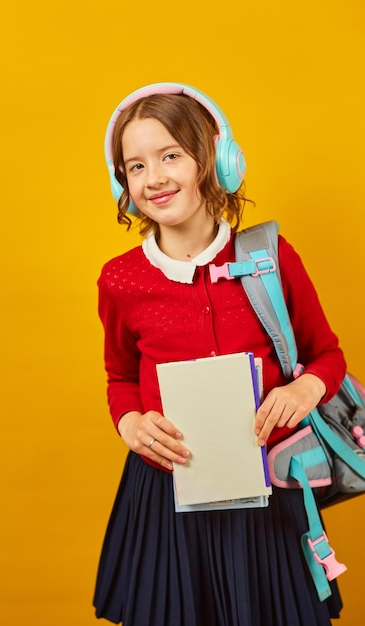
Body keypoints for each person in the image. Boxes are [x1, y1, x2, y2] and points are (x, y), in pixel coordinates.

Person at [93, 82, 347, 626]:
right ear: (121, 182)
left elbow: (326, 354)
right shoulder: (120, 280)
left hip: (268, 490)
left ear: (214, 159)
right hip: (167, 492)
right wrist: (130, 421)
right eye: (135, 166)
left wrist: (303, 389)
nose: (154, 178)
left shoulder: (271, 257)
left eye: (170, 156)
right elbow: (119, 376)